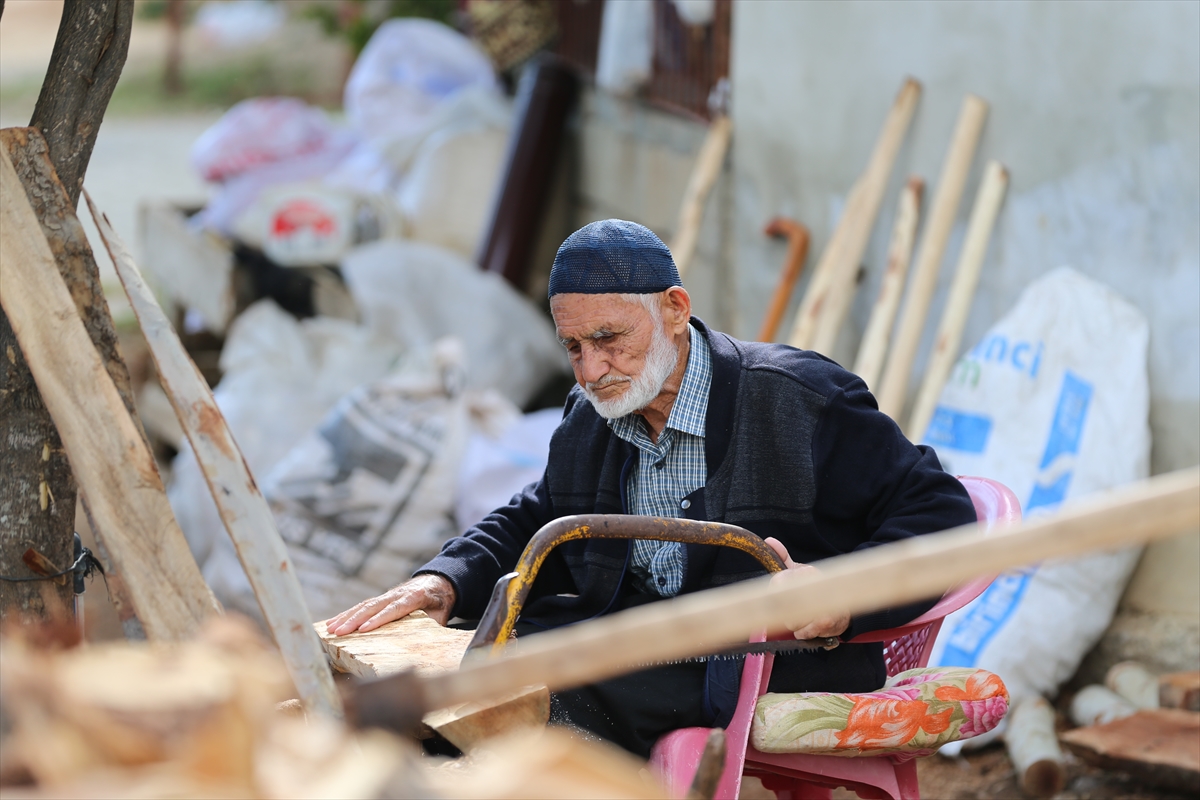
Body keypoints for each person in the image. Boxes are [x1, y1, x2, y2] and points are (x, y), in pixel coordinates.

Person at [326, 219, 976, 758]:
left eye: (608, 339)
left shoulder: (797, 399)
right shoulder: (592, 416)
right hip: (632, 637)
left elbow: (942, 510)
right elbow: (541, 514)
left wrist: (840, 592)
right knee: (435, 686)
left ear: (674, 309)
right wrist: (442, 581)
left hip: (763, 655)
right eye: (574, 347)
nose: (591, 369)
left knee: (539, 701)